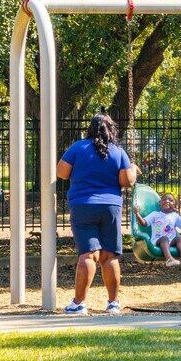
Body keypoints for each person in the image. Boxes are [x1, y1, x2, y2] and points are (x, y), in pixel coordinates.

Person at [56, 112, 140, 315]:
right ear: (111, 130)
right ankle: (113, 303)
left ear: (90, 129)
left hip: (83, 205)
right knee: (109, 255)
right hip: (111, 207)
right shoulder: (119, 152)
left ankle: (78, 303)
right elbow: (126, 182)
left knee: (88, 254)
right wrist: (133, 169)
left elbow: (61, 172)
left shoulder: (77, 147)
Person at [133, 193, 181, 267]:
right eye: (164, 199)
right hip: (158, 241)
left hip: (171, 242)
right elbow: (144, 223)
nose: (167, 201)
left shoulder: (175, 216)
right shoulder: (155, 214)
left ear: (174, 205)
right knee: (164, 238)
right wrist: (137, 214)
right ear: (160, 204)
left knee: (179, 237)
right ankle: (169, 259)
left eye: (171, 200)